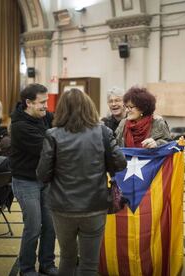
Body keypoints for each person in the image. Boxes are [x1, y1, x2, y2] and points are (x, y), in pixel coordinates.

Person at [37, 88, 127, 276]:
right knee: (89, 264)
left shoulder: (52, 134)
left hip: (62, 207)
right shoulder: (103, 132)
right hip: (94, 206)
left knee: (67, 259)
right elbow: (120, 163)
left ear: (61, 109)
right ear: (89, 107)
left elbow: (43, 175)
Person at [10, 83, 57, 276]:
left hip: (44, 180)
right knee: (33, 226)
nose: (46, 106)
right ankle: (27, 269)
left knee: (50, 225)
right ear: (28, 103)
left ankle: (47, 264)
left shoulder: (44, 116)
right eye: (42, 102)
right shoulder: (20, 126)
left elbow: (65, 122)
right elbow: (48, 148)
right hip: (25, 181)